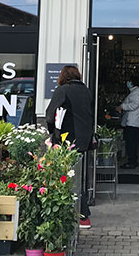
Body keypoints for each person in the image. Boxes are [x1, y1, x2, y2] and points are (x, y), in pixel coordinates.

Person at [44, 65, 95, 229]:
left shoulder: (63, 90)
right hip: (85, 140)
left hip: (67, 140)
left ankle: (77, 215)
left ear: (63, 76)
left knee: (66, 177)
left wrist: (52, 133)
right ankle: (83, 216)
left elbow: (50, 114)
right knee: (80, 176)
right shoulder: (86, 91)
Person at [117, 75, 139, 169]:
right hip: (136, 122)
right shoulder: (137, 92)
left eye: (129, 81)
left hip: (133, 122)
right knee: (132, 143)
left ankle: (132, 162)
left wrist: (122, 106)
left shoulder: (136, 92)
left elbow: (134, 105)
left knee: (131, 144)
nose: (128, 83)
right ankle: (133, 160)